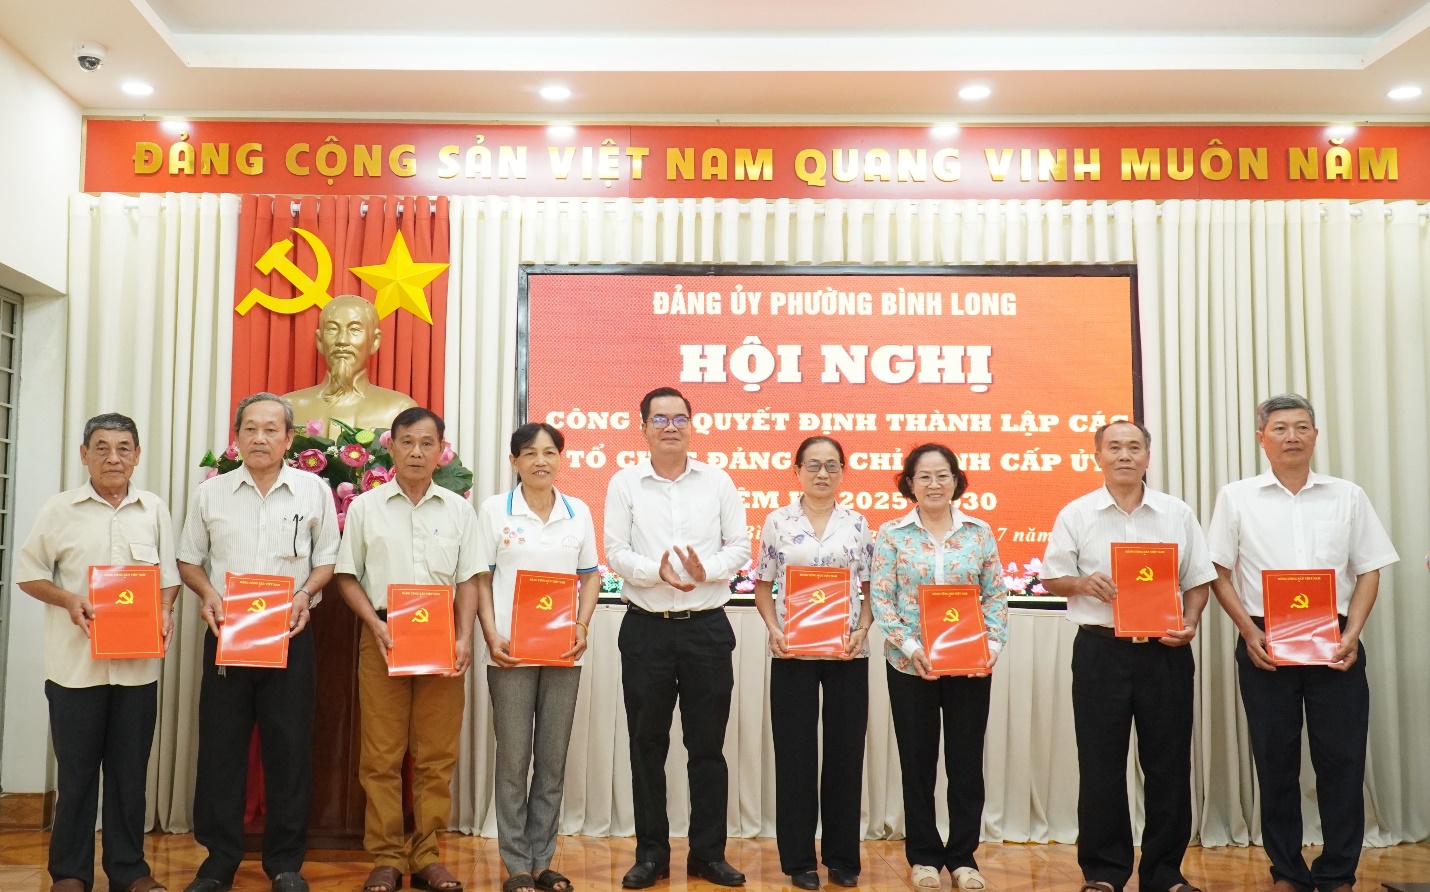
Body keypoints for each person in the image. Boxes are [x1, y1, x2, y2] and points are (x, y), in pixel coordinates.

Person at [1207, 394, 1398, 892]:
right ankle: (1287, 871)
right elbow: (1218, 572)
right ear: (1261, 438)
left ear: (1315, 435)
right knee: (1276, 761)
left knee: (1343, 760)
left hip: (1335, 641)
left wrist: (1353, 633)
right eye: (1280, 428)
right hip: (1264, 641)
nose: (1291, 436)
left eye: (1301, 427)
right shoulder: (1237, 497)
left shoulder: (1347, 495)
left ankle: (1338, 872)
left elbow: (1370, 569)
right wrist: (1248, 632)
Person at [1040, 420, 1214, 892]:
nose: (1124, 455)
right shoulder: (1076, 513)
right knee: (1101, 766)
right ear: (1097, 456)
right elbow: (1052, 577)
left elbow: (1198, 579)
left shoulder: (1176, 512)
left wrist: (1191, 621)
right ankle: (1104, 873)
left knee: (1168, 765)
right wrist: (1082, 583)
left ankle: (1164, 873)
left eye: (1134, 447)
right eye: (1114, 447)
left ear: (1147, 457)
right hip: (1101, 651)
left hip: (1165, 653)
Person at [177, 393, 340, 892]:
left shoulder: (313, 490)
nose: (260, 438)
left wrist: (305, 595)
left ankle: (285, 864)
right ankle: (218, 861)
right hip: (227, 636)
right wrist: (207, 594)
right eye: (250, 428)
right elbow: (188, 559)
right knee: (221, 748)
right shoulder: (212, 493)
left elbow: (327, 559)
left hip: (289, 635)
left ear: (289, 439)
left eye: (271, 429)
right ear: (238, 437)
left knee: (289, 750)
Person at [16, 413, 181, 892]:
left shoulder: (153, 509)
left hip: (137, 671)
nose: (113, 457)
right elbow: (29, 574)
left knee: (130, 776)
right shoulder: (59, 509)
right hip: (75, 669)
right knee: (77, 776)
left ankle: (130, 872)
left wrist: (165, 610)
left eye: (124, 448)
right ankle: (70, 873)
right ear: (84, 454)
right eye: (102, 447)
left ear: (137, 455)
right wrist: (69, 600)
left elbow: (168, 579)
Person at [604, 386, 751, 889]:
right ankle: (652, 855)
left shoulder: (717, 481)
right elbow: (615, 551)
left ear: (692, 425)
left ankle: (708, 855)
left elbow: (740, 547)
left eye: (680, 418)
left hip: (706, 628)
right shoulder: (625, 483)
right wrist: (656, 572)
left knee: (707, 747)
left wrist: (705, 569)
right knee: (647, 744)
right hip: (646, 629)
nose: (671, 426)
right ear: (643, 427)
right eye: (660, 419)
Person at [335, 406, 481, 892]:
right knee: (381, 755)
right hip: (384, 636)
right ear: (391, 448)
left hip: (441, 637)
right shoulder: (365, 507)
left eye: (426, 443)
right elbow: (347, 575)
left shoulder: (459, 510)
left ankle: (427, 854)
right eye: (407, 442)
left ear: (441, 451)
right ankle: (386, 856)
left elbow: (469, 580)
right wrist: (373, 624)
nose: (417, 452)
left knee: (436, 755)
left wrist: (464, 637)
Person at [871, 443, 1008, 892]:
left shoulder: (979, 533)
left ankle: (963, 858)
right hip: (910, 666)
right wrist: (911, 647)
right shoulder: (892, 534)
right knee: (918, 764)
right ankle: (924, 857)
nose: (934, 484)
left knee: (966, 765)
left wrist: (992, 645)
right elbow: (882, 599)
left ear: (956, 480)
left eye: (943, 475)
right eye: (924, 476)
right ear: (909, 483)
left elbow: (995, 595)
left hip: (969, 666)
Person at [475, 422, 601, 892]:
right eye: (529, 453)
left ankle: (542, 859)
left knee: (551, 760)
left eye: (549, 452)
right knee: (513, 760)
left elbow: (590, 575)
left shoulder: (578, 511)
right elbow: (481, 578)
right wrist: (491, 633)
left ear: (560, 459)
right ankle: (516, 865)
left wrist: (582, 626)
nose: (540, 461)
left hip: (563, 654)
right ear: (514, 462)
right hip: (510, 654)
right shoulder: (495, 510)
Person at [751, 436, 874, 890]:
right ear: (797, 470)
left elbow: (871, 587)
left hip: (846, 653)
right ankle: (799, 860)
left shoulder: (857, 523)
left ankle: (842, 858)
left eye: (832, 466)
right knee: (795, 756)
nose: (823, 473)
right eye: (814, 465)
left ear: (842, 471)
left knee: (845, 754)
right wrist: (773, 628)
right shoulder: (777, 521)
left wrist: (863, 627)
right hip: (793, 652)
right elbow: (762, 584)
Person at [282, 294, 417, 436]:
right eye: (332, 329)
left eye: (355, 329)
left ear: (375, 341)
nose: (342, 340)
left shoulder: (400, 409)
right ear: (320, 341)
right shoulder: (288, 408)